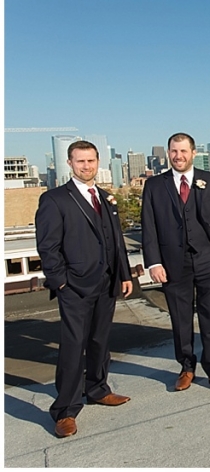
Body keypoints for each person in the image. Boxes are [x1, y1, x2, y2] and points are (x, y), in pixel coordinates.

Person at [36, 141, 134, 438]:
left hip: (107, 282)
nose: (86, 166)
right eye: (80, 161)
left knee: (100, 341)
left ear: (98, 161)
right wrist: (61, 282)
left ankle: (97, 389)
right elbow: (48, 246)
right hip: (74, 286)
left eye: (91, 161)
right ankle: (65, 410)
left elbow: (116, 240)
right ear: (70, 163)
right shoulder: (54, 199)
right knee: (73, 346)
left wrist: (124, 275)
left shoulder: (105, 197)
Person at [141, 132, 210, 393]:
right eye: (174, 151)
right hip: (172, 263)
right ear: (168, 153)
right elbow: (149, 227)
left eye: (183, 151)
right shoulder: (154, 185)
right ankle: (186, 367)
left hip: (207, 259)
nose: (178, 156)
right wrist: (154, 263)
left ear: (193, 153)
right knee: (180, 318)